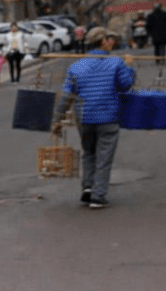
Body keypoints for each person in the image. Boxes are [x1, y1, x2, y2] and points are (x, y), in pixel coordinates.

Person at [51, 27, 136, 209]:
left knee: (89, 153)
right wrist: (129, 67)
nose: (111, 42)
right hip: (108, 116)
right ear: (103, 41)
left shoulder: (76, 66)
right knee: (104, 157)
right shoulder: (116, 63)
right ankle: (98, 196)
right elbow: (126, 86)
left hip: (84, 117)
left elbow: (67, 95)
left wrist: (57, 119)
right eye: (109, 38)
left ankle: (87, 188)